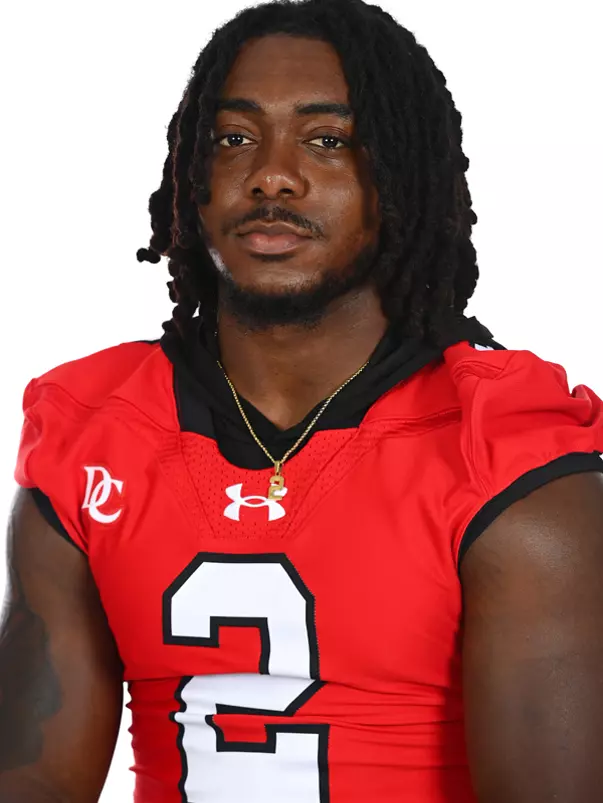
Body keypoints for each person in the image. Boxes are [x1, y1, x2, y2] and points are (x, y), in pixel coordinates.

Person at [2, 0, 603, 800]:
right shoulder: (96, 433)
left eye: (326, 141)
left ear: (399, 173)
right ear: (190, 173)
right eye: (234, 138)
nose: (272, 174)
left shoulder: (501, 460)